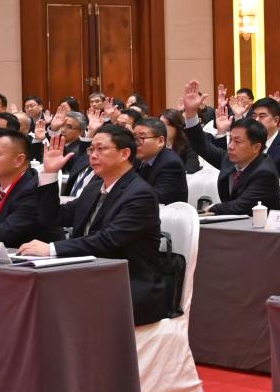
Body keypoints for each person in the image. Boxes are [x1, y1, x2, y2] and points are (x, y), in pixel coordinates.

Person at [22, 124, 171, 325]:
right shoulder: (94, 188)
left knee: (51, 306)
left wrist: (51, 249)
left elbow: (108, 241)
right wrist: (49, 174)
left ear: (125, 153)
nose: (93, 155)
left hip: (127, 283)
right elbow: (54, 217)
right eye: (91, 149)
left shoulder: (140, 194)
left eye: (101, 149)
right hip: (87, 275)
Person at [212, 119, 280, 217]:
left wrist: (211, 209)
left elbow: (240, 207)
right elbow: (203, 146)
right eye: (230, 140)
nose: (230, 146)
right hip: (239, 223)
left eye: (237, 141)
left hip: (267, 225)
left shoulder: (265, 173)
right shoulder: (232, 160)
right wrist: (192, 117)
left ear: (256, 147)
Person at [130, 116, 189, 205]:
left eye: (141, 138)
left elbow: (158, 198)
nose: (136, 143)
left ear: (160, 141)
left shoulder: (171, 164)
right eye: (134, 138)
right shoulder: (137, 160)